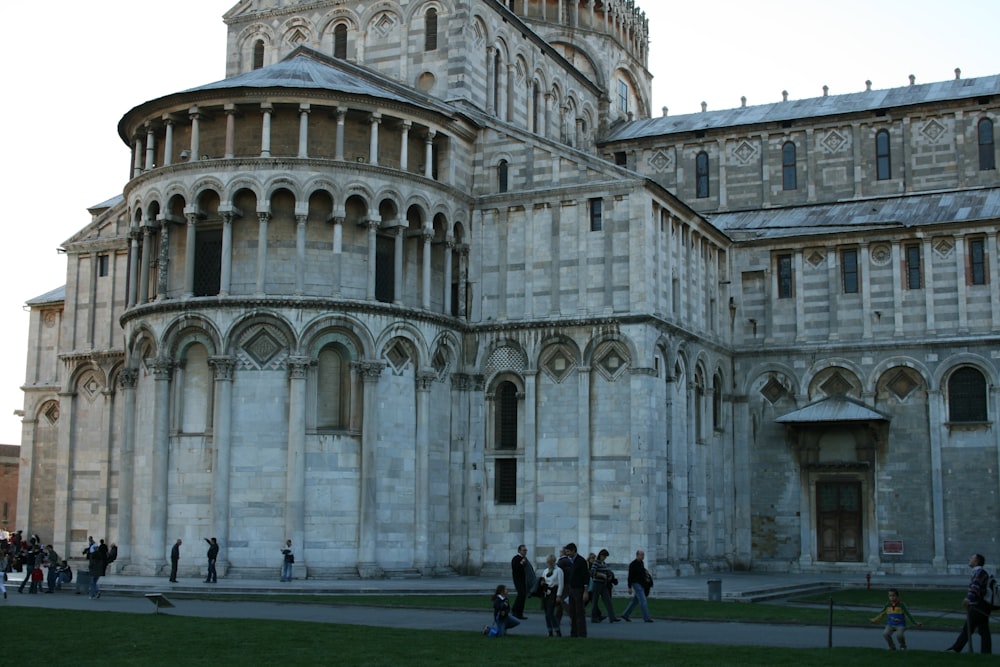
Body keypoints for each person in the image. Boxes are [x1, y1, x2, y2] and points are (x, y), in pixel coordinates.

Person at [947, 553, 992, 653]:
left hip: (977, 605)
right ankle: (986, 652)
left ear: (976, 562)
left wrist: (968, 599)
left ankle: (956, 648)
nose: (969, 559)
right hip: (983, 605)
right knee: (983, 630)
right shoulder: (981, 572)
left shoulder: (979, 572)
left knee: (968, 628)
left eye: (971, 558)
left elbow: (975, 587)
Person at [563, 542, 590, 638]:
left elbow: (585, 577)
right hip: (572, 589)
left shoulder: (581, 561)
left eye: (568, 552)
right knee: (572, 612)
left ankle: (582, 633)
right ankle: (573, 633)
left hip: (579, 589)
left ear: (574, 551)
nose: (567, 554)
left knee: (579, 612)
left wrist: (585, 591)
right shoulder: (571, 561)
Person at [621, 549, 654, 622]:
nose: (643, 556)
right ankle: (646, 617)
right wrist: (629, 587)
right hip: (636, 584)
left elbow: (642, 574)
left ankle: (625, 614)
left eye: (643, 555)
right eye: (641, 555)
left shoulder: (641, 563)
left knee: (635, 601)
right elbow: (630, 576)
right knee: (643, 600)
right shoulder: (633, 564)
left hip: (642, 584)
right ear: (637, 555)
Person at [589, 548, 619, 623]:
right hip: (597, 584)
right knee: (595, 601)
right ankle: (594, 617)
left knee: (608, 600)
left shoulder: (604, 563)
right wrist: (601, 575)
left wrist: (610, 576)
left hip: (604, 584)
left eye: (606, 557)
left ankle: (612, 617)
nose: (605, 558)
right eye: (604, 556)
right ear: (601, 555)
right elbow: (592, 572)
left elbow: (607, 571)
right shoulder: (596, 563)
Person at [539, 553, 565, 636]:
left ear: (554, 562)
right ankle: (549, 630)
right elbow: (543, 578)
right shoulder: (545, 571)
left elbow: (561, 584)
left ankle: (557, 629)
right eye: (548, 562)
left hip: (554, 592)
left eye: (551, 562)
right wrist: (542, 582)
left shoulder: (558, 571)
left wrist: (558, 595)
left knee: (550, 613)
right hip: (546, 592)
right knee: (547, 613)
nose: (549, 564)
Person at [510, 544, 529, 619]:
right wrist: (521, 563)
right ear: (519, 551)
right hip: (518, 579)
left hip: (523, 579)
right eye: (524, 550)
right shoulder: (516, 558)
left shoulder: (524, 559)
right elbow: (515, 568)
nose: (525, 552)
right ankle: (515, 611)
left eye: (526, 550)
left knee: (523, 595)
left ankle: (519, 612)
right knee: (521, 594)